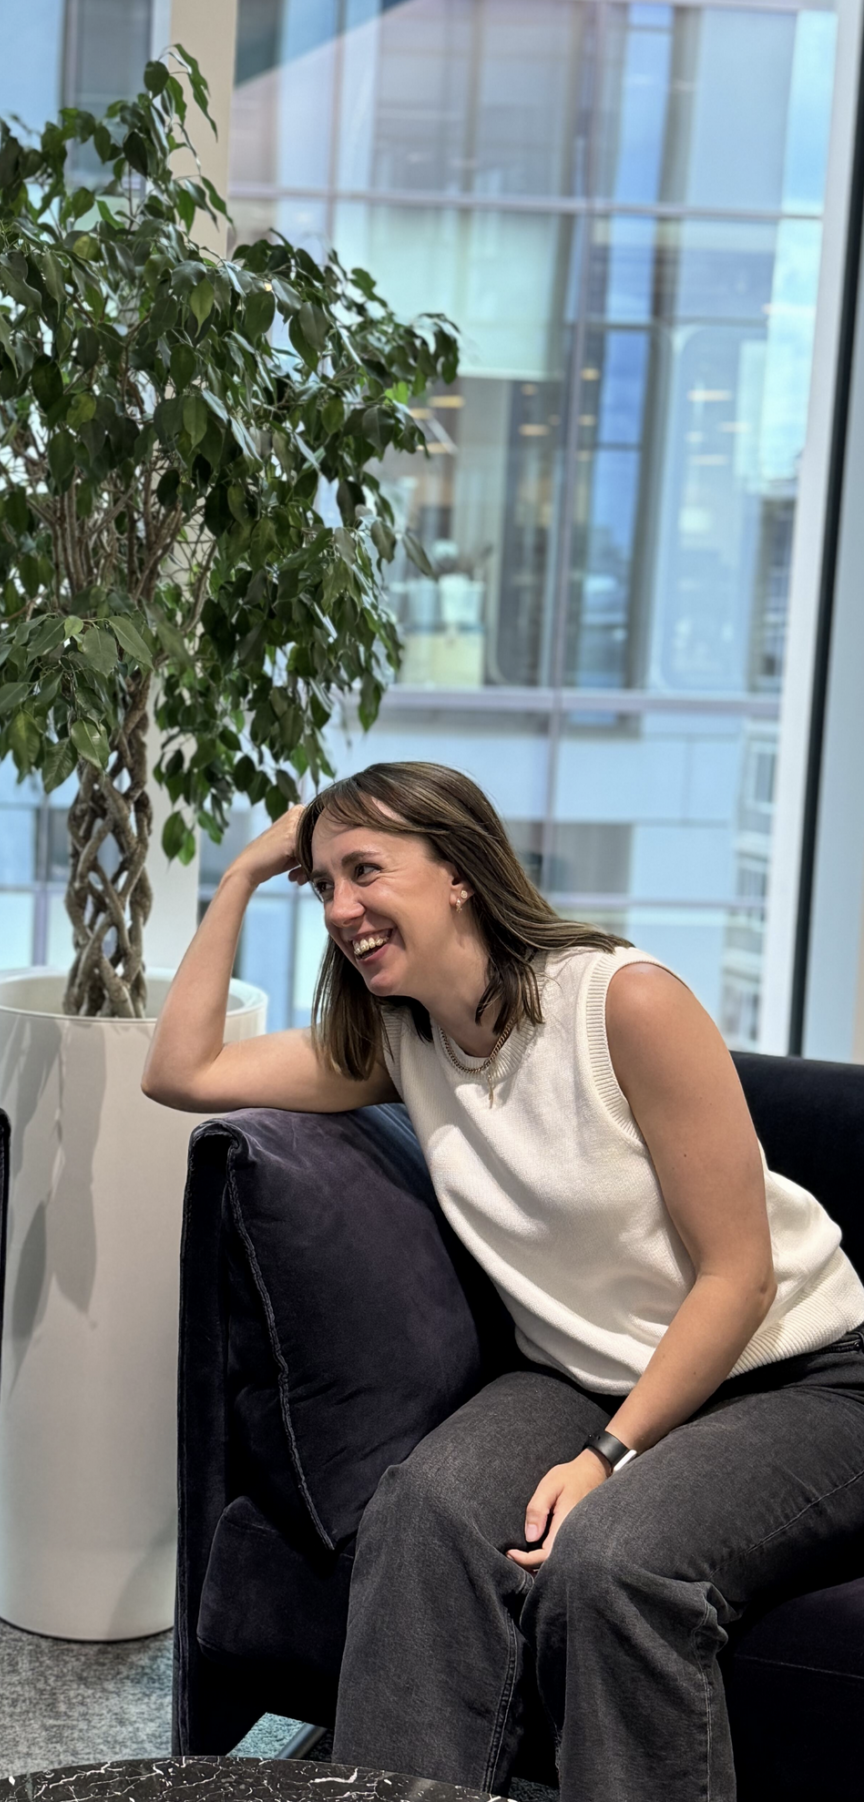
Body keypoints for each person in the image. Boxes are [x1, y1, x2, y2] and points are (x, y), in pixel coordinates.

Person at [143, 760, 864, 1802]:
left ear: (458, 873)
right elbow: (180, 1070)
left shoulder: (624, 1000)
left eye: (365, 871)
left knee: (613, 1563)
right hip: (582, 1371)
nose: (340, 909)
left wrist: (606, 1458)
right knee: (422, 1512)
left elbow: (739, 1277)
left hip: (797, 1377)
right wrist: (242, 875)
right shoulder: (403, 1040)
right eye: (324, 883)